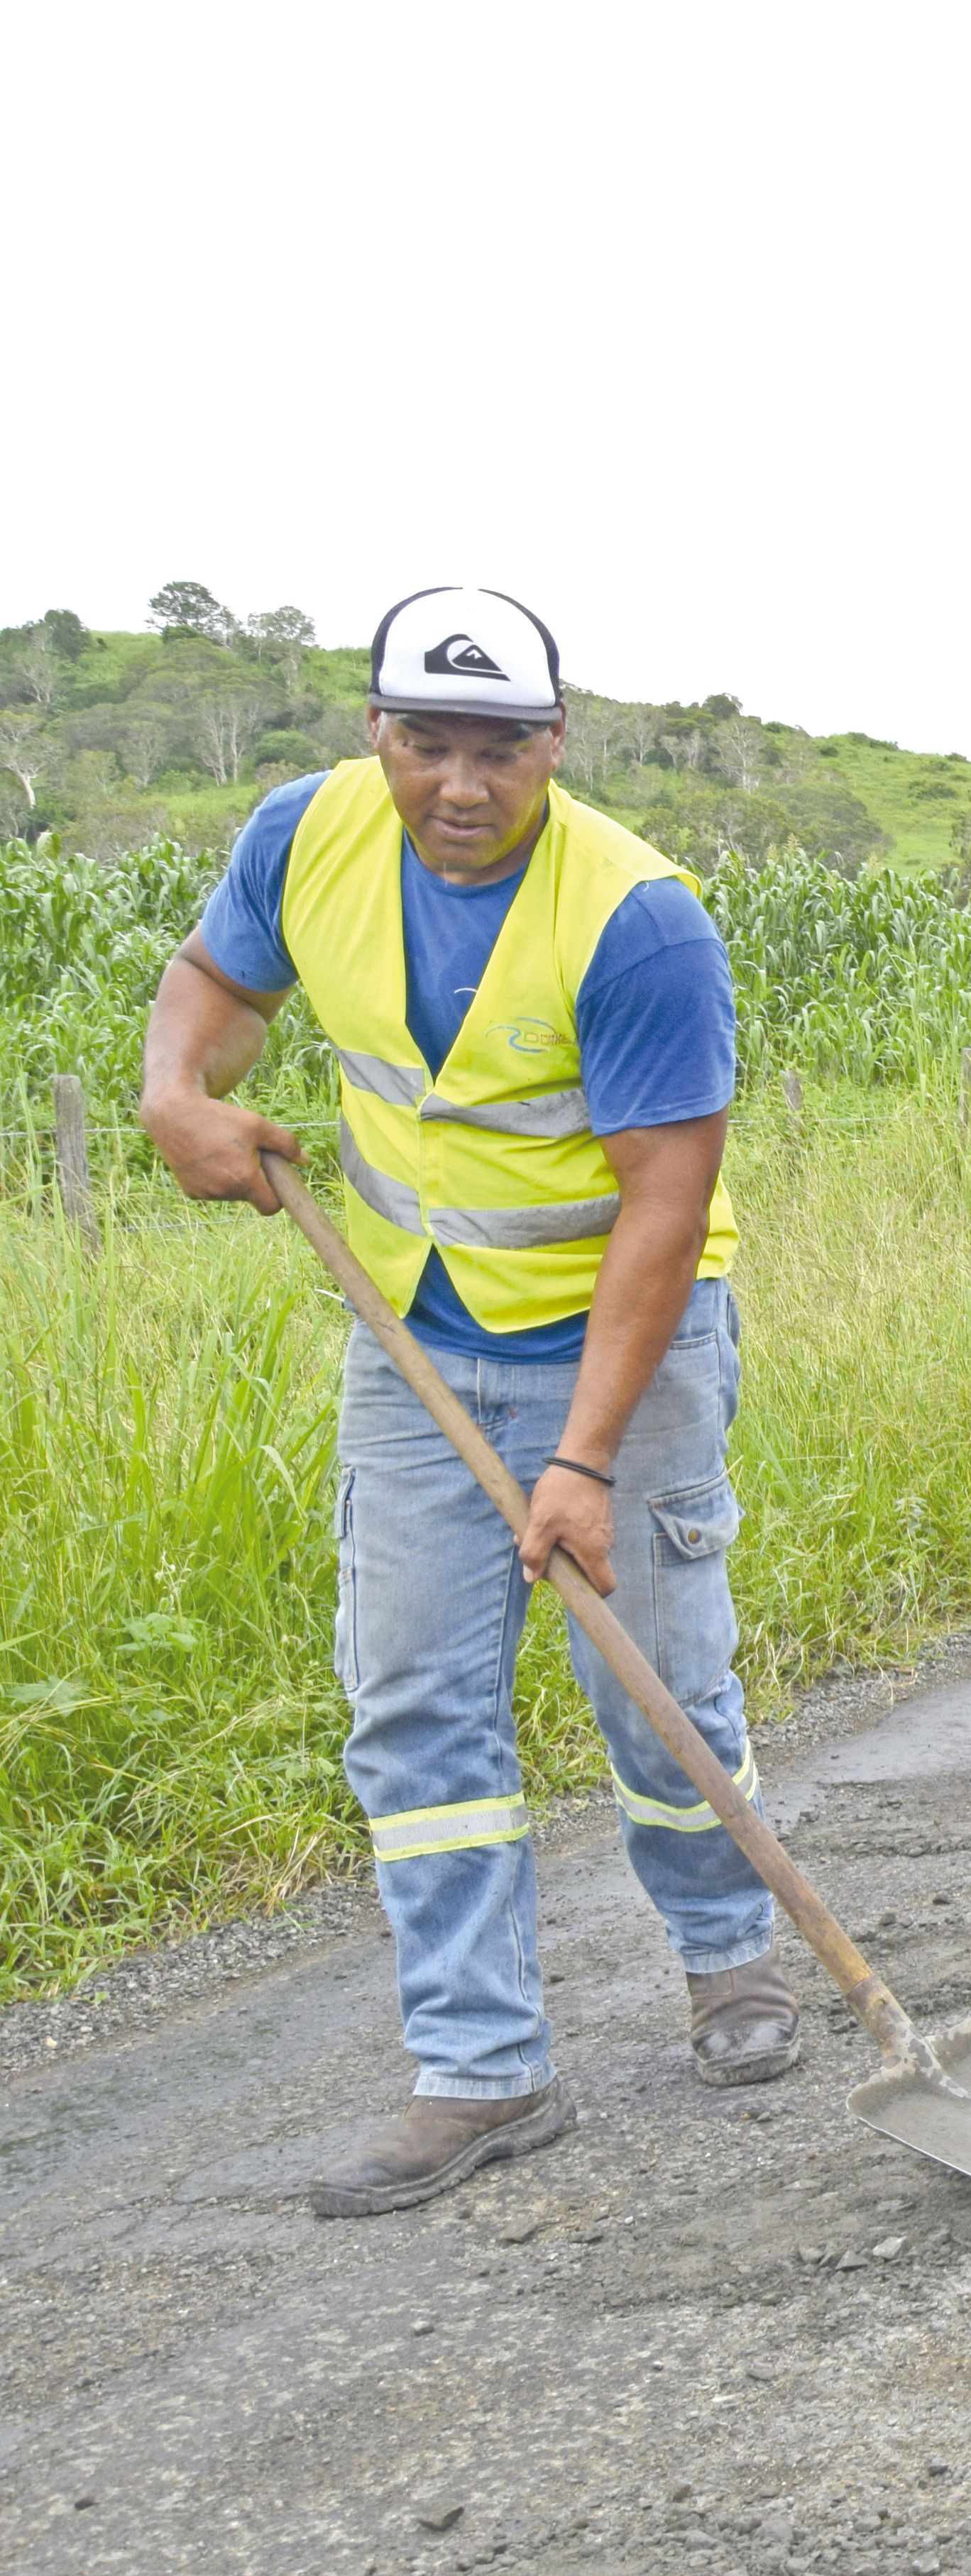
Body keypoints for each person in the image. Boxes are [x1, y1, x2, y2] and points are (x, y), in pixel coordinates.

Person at [136, 587, 794, 2217]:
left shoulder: (639, 918)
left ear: (554, 744)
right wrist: (174, 1100)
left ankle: (730, 1963)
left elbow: (662, 1198)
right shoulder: (307, 839)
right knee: (417, 1702)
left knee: (653, 1683)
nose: (458, 783)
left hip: (618, 1341)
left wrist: (579, 1455)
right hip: (413, 1339)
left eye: (497, 747)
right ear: (377, 733)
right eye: (424, 741)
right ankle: (483, 2066)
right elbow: (208, 992)